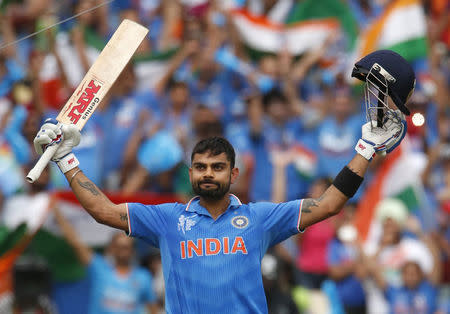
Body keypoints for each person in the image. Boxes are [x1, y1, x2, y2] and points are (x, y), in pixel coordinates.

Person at [31, 50, 412, 313]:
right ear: (191, 172)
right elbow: (102, 211)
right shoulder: (167, 219)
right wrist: (65, 158)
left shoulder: (260, 218)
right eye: (200, 167)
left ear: (234, 174)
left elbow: (329, 204)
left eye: (216, 168)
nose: (207, 174)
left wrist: (365, 148)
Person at [53, 207, 158, 314]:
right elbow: (76, 243)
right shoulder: (99, 268)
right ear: (112, 248)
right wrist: (56, 211)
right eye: (118, 247)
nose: (122, 251)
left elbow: (153, 309)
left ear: (133, 251)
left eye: (126, 247)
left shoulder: (143, 277)